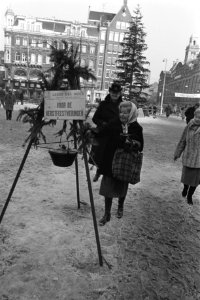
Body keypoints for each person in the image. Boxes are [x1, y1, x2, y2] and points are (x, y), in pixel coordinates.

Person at [93, 101, 144, 226]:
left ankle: (120, 206)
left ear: (131, 114)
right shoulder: (114, 123)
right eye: (120, 112)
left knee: (122, 187)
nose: (122, 115)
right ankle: (107, 214)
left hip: (124, 163)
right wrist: (90, 132)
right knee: (107, 189)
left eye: (126, 113)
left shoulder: (136, 128)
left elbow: (140, 145)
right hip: (110, 161)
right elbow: (101, 132)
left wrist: (131, 143)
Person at [90, 82, 123, 182]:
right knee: (100, 156)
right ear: (110, 92)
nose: (115, 94)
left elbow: (124, 120)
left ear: (120, 93)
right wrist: (103, 123)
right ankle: (98, 172)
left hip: (115, 135)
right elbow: (95, 118)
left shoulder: (122, 106)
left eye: (117, 93)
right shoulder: (103, 104)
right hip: (103, 134)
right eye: (113, 92)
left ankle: (107, 175)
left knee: (112, 157)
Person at [174, 108, 200, 205]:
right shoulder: (190, 125)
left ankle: (190, 195)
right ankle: (185, 188)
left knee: (195, 180)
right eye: (196, 116)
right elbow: (183, 140)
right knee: (186, 178)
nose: (197, 119)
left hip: (198, 159)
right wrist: (178, 153)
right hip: (189, 156)